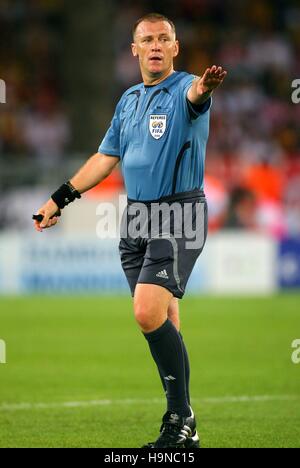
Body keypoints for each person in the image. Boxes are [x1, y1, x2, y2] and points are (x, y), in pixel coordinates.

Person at [34, 13, 227, 448]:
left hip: (178, 214)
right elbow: (106, 158)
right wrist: (59, 198)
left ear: (175, 48)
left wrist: (206, 88)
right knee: (164, 317)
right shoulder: (129, 100)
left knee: (145, 311)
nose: (156, 45)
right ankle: (184, 427)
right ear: (134, 50)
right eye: (147, 40)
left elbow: (197, 97)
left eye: (164, 38)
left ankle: (179, 416)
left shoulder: (186, 88)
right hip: (136, 219)